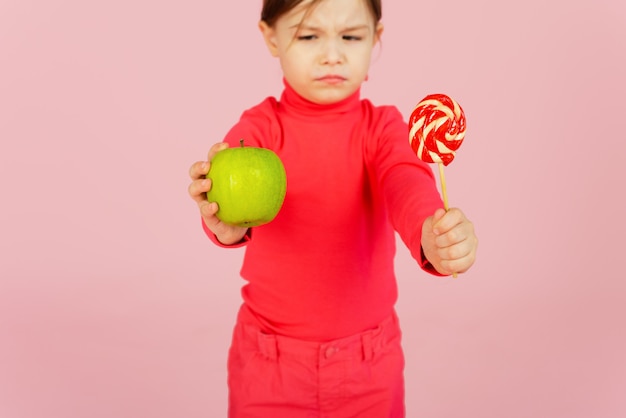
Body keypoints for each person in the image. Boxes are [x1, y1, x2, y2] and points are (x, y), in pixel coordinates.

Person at [187, 0, 478, 416]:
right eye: (308, 36)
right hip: (269, 364)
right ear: (272, 37)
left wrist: (430, 230)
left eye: (351, 36)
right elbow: (229, 187)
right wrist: (223, 223)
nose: (331, 55)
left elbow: (405, 179)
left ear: (376, 38)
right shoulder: (260, 128)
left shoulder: (382, 129)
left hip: (370, 367)